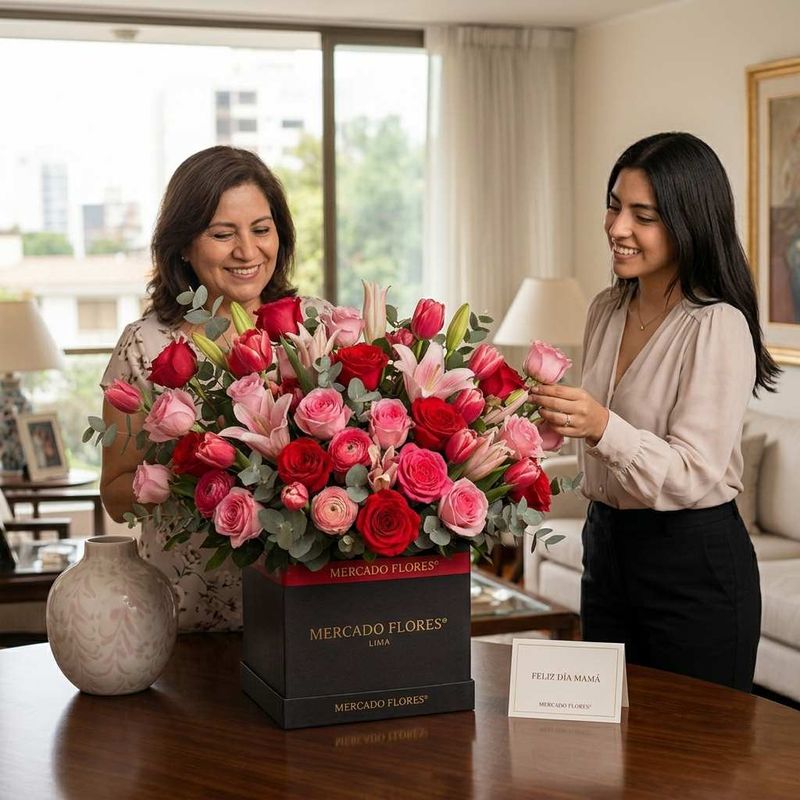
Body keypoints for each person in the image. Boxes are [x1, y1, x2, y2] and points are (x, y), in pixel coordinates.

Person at [531, 132, 781, 691]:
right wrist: (557, 423)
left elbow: (693, 472)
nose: (618, 228)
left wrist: (600, 425)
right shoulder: (607, 308)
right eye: (615, 205)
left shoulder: (716, 325)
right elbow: (600, 440)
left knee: (693, 762)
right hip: (608, 545)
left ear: (689, 223)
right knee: (610, 746)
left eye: (642, 216)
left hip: (691, 562)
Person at [100, 145, 297, 632]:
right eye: (222, 234)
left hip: (301, 611)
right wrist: (185, 480)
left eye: (261, 229)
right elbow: (114, 491)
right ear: (184, 244)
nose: (247, 252)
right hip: (187, 618)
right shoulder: (144, 346)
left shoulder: (312, 326)